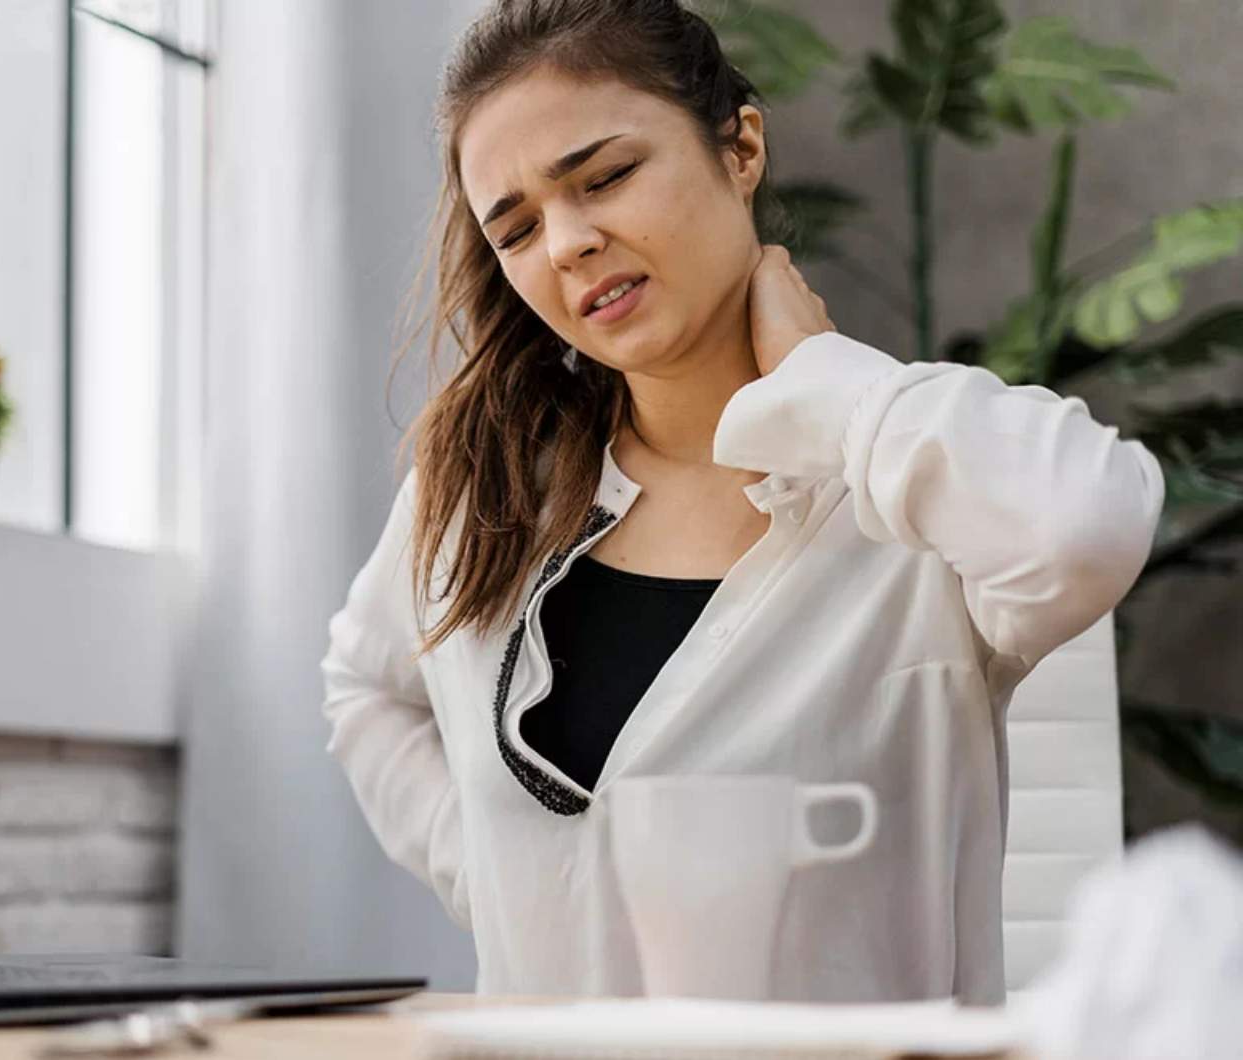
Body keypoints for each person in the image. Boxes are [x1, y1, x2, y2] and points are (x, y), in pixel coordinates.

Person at [319, 0, 1164, 1006]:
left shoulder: (902, 483)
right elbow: (362, 687)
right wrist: (504, 870)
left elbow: (1088, 527)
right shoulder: (484, 487)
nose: (570, 243)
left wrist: (819, 377)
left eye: (605, 177)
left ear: (739, 147)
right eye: (518, 228)